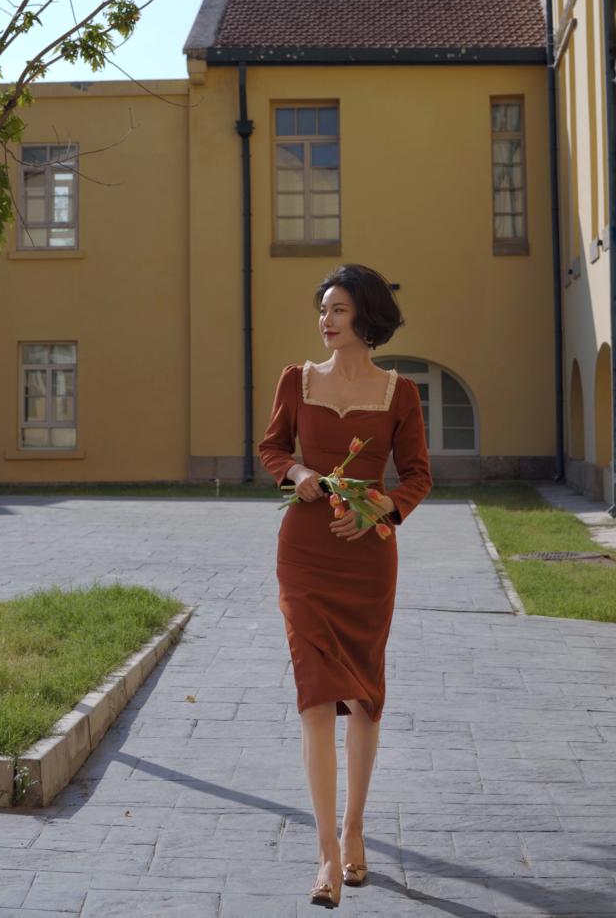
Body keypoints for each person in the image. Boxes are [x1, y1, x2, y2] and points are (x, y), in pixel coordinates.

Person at [258, 263, 433, 909]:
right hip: (303, 556)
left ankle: (356, 826)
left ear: (364, 316)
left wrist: (380, 509)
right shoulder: (296, 380)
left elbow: (418, 474)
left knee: (363, 697)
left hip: (367, 563)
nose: (324, 320)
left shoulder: (400, 393)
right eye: (321, 310)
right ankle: (327, 852)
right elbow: (272, 449)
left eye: (336, 309)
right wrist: (298, 470)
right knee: (312, 695)